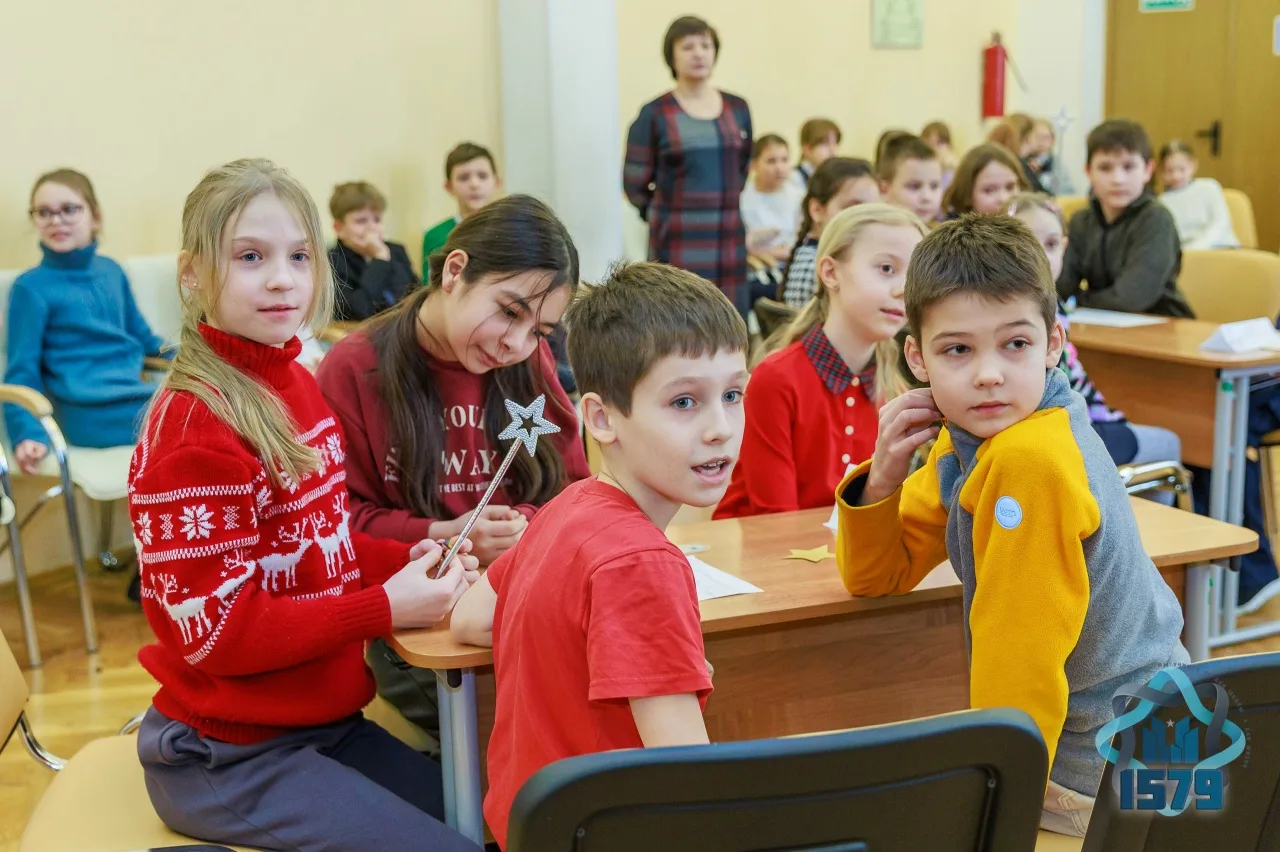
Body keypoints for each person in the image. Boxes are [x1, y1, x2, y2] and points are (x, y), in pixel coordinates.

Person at [127, 158, 480, 852]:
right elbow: (218, 633)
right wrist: (385, 608)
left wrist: (403, 559)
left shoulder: (294, 379)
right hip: (229, 757)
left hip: (321, 727)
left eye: (298, 256)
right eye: (250, 257)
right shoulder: (196, 430)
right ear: (192, 273)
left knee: (491, 818)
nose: (282, 279)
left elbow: (320, 542)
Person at [834, 213, 1188, 837]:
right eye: (958, 350)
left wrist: (999, 811)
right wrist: (882, 479)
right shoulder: (975, 434)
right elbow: (876, 575)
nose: (988, 373)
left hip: (1105, 775)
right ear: (917, 357)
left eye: (1015, 344)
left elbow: (1018, 664)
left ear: (1053, 344)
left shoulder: (1028, 460)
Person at [450, 261, 748, 849]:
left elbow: (470, 618)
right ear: (602, 417)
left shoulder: (568, 505)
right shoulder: (642, 562)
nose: (720, 428)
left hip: (531, 829)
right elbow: (692, 780)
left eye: (733, 394)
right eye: (684, 402)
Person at [316, 195, 591, 751]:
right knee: (518, 730)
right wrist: (446, 534)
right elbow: (336, 527)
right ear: (454, 270)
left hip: (524, 605)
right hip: (420, 630)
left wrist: (524, 523)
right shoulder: (355, 367)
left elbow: (577, 492)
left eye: (540, 331)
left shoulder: (528, 364)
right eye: (509, 312)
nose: (516, 344)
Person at [716, 204, 923, 519]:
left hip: (836, 548)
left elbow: (875, 514)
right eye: (886, 268)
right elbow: (776, 517)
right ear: (830, 273)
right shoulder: (775, 379)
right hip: (758, 546)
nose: (902, 290)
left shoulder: (893, 392)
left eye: (913, 276)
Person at [5, 169, 168, 474]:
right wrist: (27, 433)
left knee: (214, 401)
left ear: (95, 217)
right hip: (88, 412)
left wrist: (200, 359)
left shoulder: (112, 271)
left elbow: (146, 340)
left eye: (69, 209)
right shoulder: (30, 288)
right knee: (201, 415)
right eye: (44, 212)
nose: (56, 220)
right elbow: (21, 371)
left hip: (135, 396)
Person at [1008, 192, 1182, 468]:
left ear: (1064, 247)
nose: (1043, 257)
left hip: (1066, 424)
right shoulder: (1040, 311)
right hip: (1066, 431)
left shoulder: (1048, 304)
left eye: (1051, 244)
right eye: (1027, 245)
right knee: (1169, 443)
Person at [624, 15, 753, 315]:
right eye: (688, 47)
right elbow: (634, 184)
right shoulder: (655, 113)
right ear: (671, 56)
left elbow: (743, 167)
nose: (698, 53)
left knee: (730, 320)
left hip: (729, 236)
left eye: (705, 45)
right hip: (678, 239)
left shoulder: (738, 108)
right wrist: (664, 215)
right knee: (677, 322)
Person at [1056, 120, 1194, 318]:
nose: (1118, 179)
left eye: (1129, 167)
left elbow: (1130, 298)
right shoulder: (1080, 221)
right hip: (1100, 322)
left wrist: (1077, 301)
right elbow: (1061, 288)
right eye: (1105, 168)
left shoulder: (1157, 219)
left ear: (1148, 170)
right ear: (1088, 172)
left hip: (1162, 322)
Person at [780, 157, 879, 307]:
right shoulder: (819, 268)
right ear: (817, 210)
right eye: (854, 208)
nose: (867, 219)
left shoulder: (825, 257)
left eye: (874, 210)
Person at [328, 181, 418, 322]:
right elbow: (359, 311)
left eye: (377, 220)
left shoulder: (396, 251)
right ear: (339, 228)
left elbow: (416, 297)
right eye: (361, 221)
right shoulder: (332, 261)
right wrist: (380, 259)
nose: (372, 228)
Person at [421, 142, 501, 269]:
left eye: (482, 176)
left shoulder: (512, 230)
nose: (474, 184)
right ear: (448, 187)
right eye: (464, 178)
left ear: (497, 182)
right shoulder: (435, 236)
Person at [1157, 140, 1240, 249]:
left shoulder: (1210, 187)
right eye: (1170, 171)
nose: (1176, 176)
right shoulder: (1161, 202)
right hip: (1186, 254)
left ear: (1193, 165)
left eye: (1182, 169)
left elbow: (1221, 223)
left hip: (1222, 247)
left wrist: (1198, 247)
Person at [741, 134, 805, 266]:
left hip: (795, 264)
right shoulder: (741, 200)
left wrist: (765, 251)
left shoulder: (800, 197)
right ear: (753, 165)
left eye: (784, 160)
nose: (779, 168)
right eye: (771, 161)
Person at [942, 143, 1029, 218]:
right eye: (989, 190)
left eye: (1010, 187)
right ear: (967, 196)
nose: (1004, 198)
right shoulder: (951, 231)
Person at [877, 134, 944, 225]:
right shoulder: (873, 232)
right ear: (884, 190)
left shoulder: (941, 231)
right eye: (914, 186)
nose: (927, 197)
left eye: (934, 186)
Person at [1025, 117, 1075, 195]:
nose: (1041, 142)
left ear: (1052, 140)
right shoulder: (1025, 161)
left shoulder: (1057, 165)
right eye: (1037, 137)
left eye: (1045, 137)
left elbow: (1067, 191)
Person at [790, 117, 842, 189]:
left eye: (835, 143)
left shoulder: (835, 177)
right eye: (825, 144)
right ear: (807, 149)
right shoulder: (793, 178)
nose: (832, 150)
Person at [921, 120, 959, 191]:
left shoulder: (954, 171)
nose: (934, 148)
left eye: (940, 143)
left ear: (949, 146)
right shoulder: (918, 172)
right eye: (928, 143)